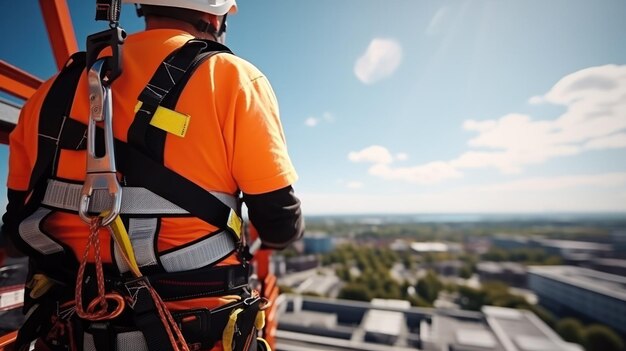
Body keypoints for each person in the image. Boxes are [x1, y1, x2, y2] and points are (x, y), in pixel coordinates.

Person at [1, 0, 304, 350]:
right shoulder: (232, 77)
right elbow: (280, 224)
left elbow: (17, 224)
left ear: (143, 7)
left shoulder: (47, 95)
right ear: (215, 15)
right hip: (194, 332)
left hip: (71, 330)